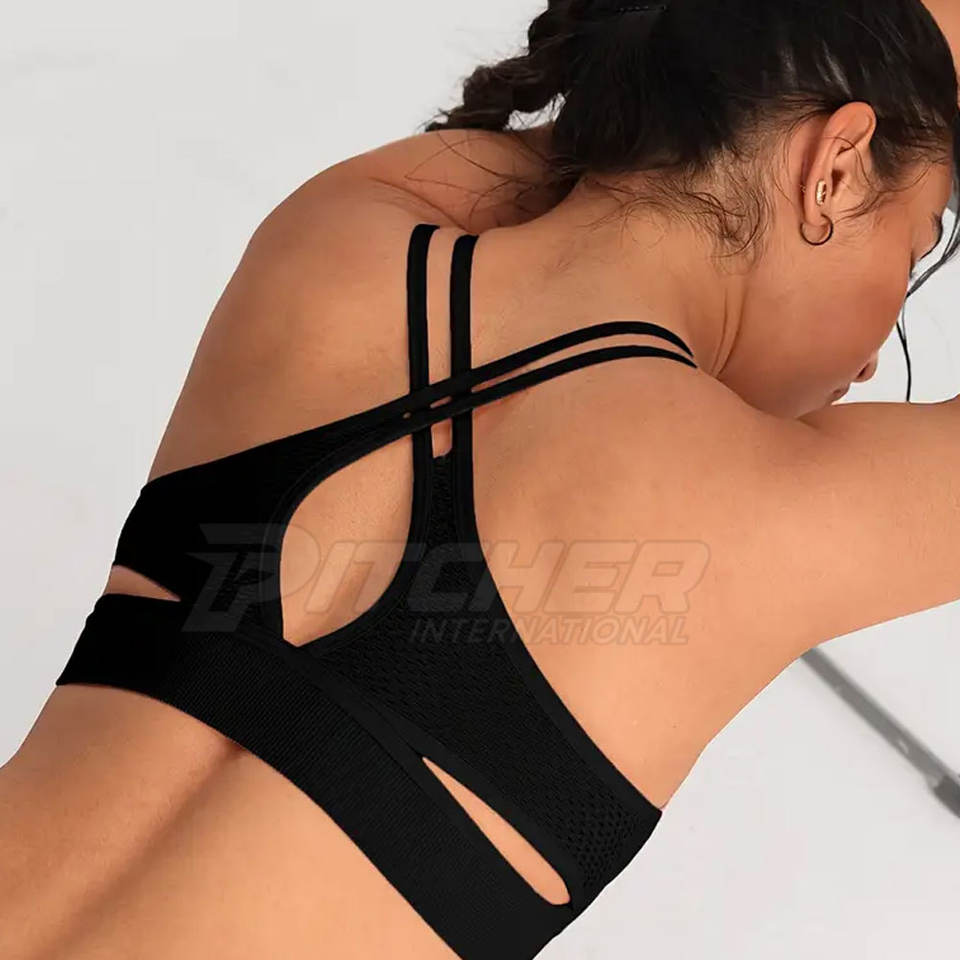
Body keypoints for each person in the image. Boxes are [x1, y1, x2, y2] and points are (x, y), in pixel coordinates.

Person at [4, 1, 960, 958]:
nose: (874, 357)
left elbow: (640, 127)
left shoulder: (340, 234)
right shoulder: (772, 510)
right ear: (836, 168)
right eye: (915, 247)